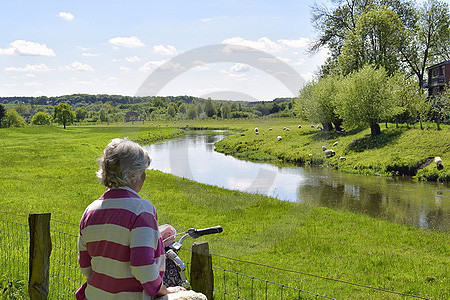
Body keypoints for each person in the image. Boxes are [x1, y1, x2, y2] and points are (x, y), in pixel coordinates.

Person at [76, 138, 184, 299]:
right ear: (132, 175)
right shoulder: (142, 211)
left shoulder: (90, 211)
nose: (145, 177)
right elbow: (142, 264)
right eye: (143, 172)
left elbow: (85, 265)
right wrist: (162, 289)